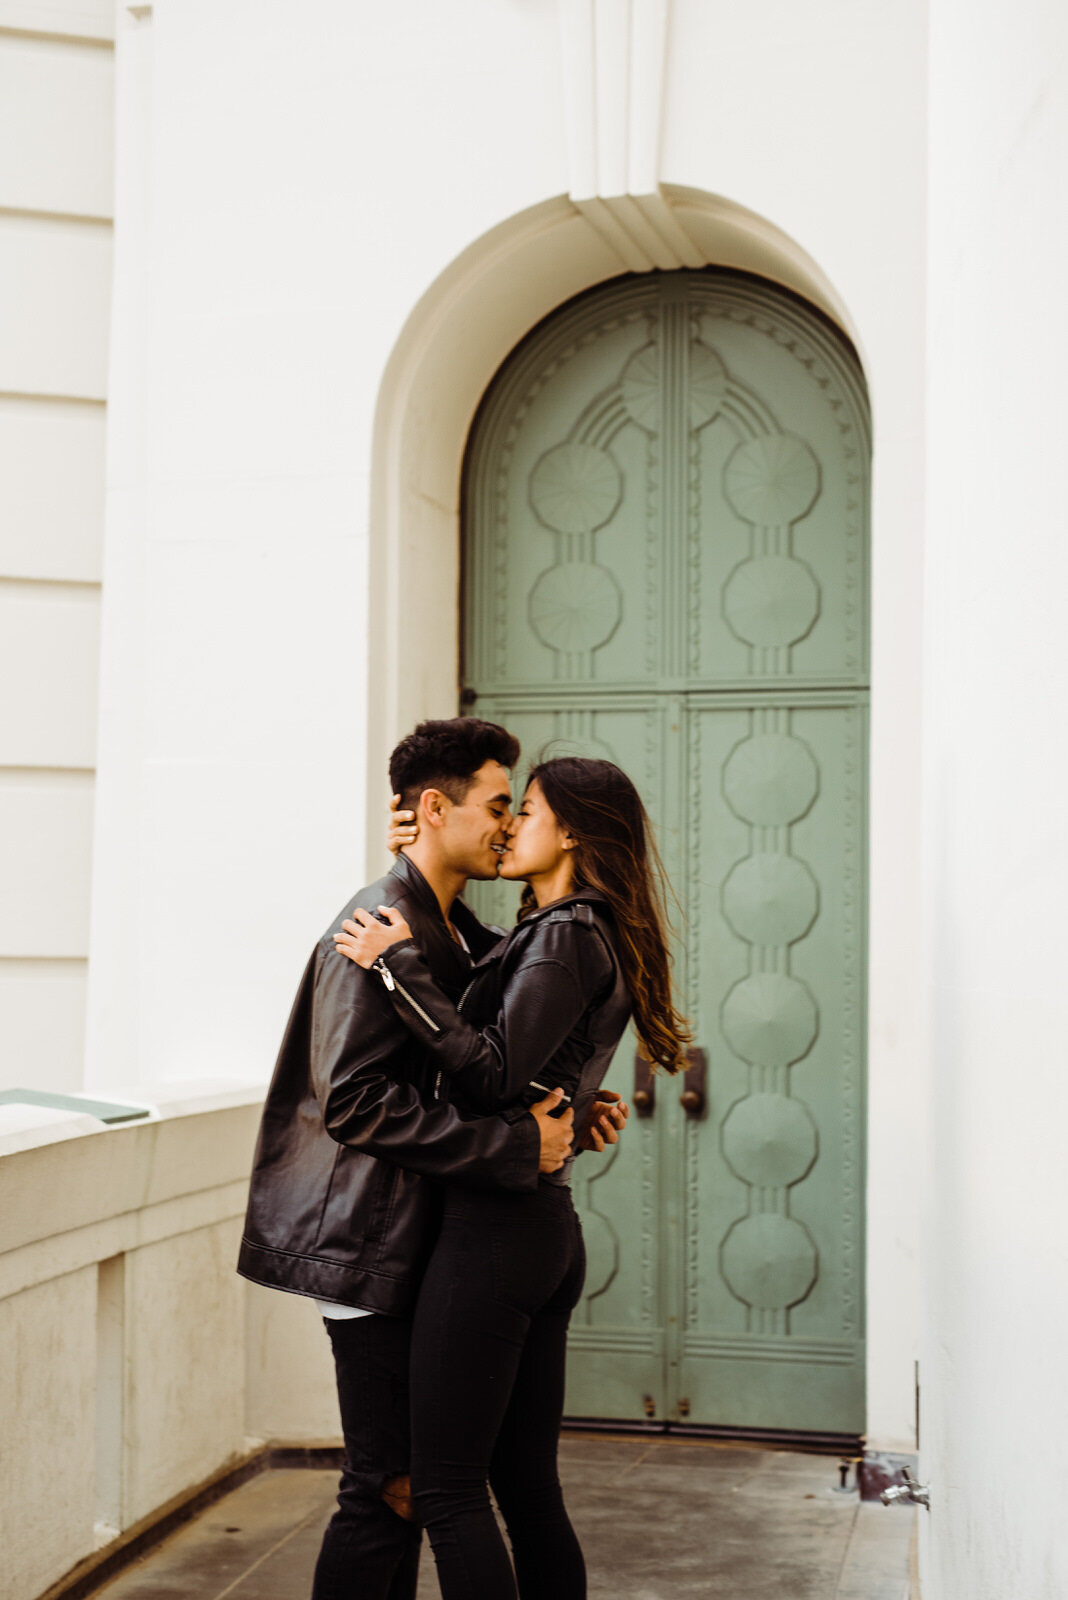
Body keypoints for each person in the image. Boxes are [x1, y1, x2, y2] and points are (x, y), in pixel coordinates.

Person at [237, 719, 626, 1600]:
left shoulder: (441, 924)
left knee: (419, 1485)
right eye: (498, 805)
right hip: (366, 1245)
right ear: (436, 808)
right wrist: (517, 1145)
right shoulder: (373, 926)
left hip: (415, 1233)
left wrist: (567, 1096)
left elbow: (492, 1021)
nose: (506, 825)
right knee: (387, 1489)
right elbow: (354, 1101)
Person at [334, 755, 689, 1600]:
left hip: (496, 1236)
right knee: (527, 1490)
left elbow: (489, 1073)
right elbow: (507, 1011)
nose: (508, 826)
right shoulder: (569, 928)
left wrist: (393, 965)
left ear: (568, 829)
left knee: (449, 1488)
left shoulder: (567, 932)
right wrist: (425, 867)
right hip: (538, 1233)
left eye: (522, 811)